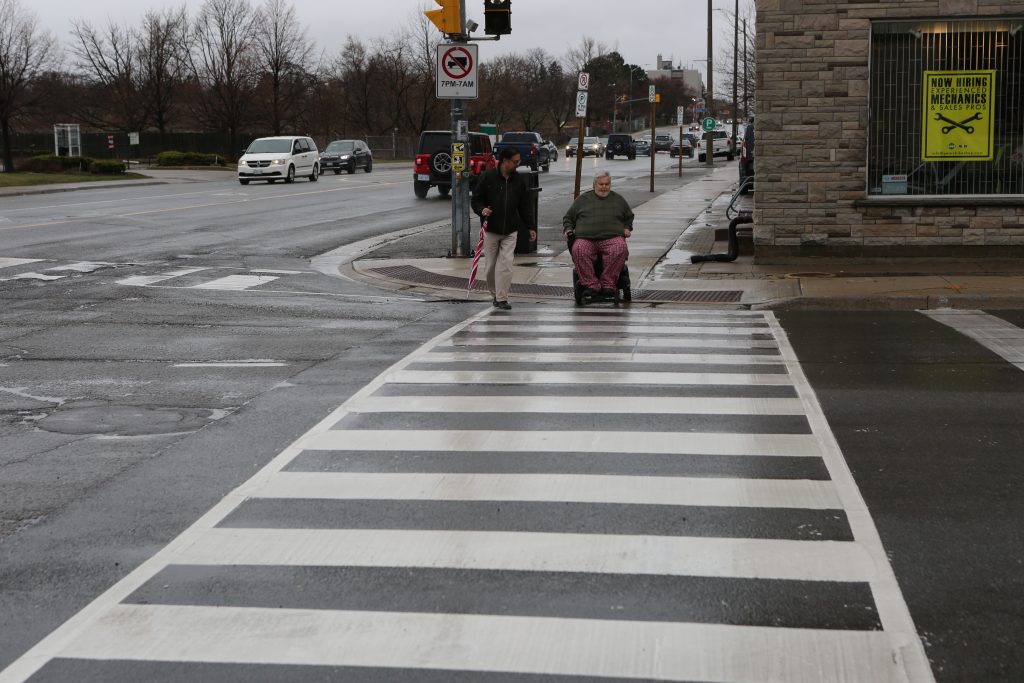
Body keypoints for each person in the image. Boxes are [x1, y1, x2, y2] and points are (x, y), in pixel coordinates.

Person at [470, 147, 536, 310]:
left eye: (518, 161)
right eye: (515, 161)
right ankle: (495, 294)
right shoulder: (488, 177)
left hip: (511, 230)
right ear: (505, 161)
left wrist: (530, 227)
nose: (518, 164)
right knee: (491, 266)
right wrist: (482, 210)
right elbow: (476, 200)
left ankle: (502, 298)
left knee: (506, 264)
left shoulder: (519, 181)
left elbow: (524, 205)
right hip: (491, 229)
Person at [562, 170, 634, 300]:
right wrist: (568, 229)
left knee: (619, 248)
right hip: (586, 238)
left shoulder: (618, 199)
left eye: (607, 184)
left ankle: (608, 285)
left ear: (610, 184)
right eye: (601, 184)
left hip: (611, 237)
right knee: (579, 249)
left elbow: (629, 217)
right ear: (594, 184)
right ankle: (591, 285)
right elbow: (568, 218)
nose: (604, 187)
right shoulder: (583, 200)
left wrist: (627, 227)